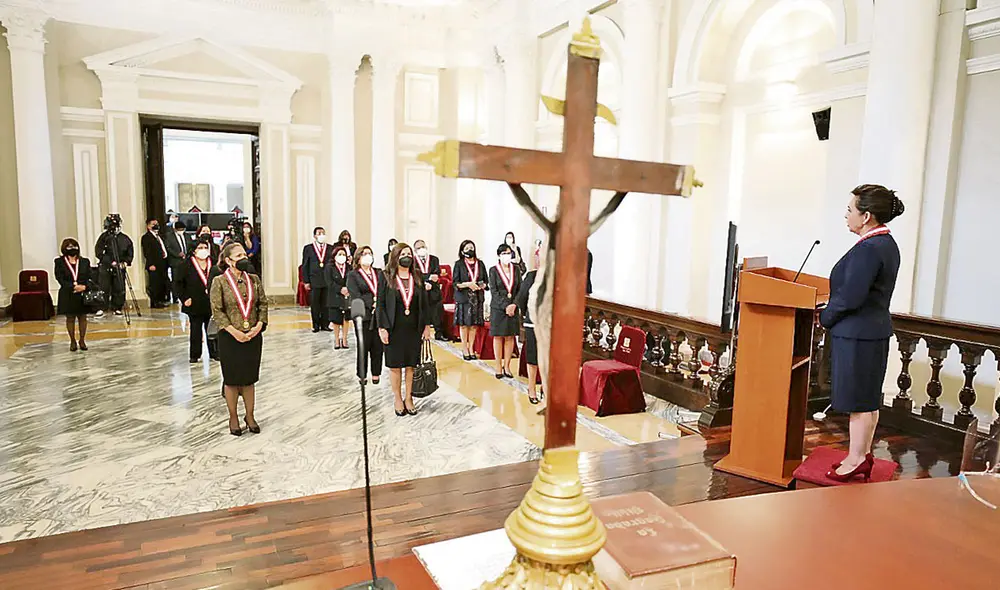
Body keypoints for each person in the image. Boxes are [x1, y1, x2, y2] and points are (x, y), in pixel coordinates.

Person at [820, 184, 903, 483]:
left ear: (866, 215)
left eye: (849, 210)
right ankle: (861, 455)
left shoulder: (870, 248)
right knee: (867, 401)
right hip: (871, 331)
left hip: (858, 334)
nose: (845, 215)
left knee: (858, 402)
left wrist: (825, 316)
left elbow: (851, 296)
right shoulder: (885, 243)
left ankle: (856, 459)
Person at [211, 242, 268, 436]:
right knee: (232, 379)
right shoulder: (219, 281)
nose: (243, 258)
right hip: (230, 336)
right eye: (238, 256)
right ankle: (233, 416)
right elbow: (217, 311)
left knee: (249, 379)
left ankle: (250, 416)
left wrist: (259, 326)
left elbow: (263, 304)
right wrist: (234, 332)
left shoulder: (253, 279)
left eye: (245, 254)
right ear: (228, 261)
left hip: (253, 334)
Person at [377, 243, 431, 417]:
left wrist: (427, 326)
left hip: (413, 327)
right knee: (395, 365)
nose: (406, 256)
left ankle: (409, 397)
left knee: (410, 365)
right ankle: (398, 398)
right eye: (402, 254)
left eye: (409, 253)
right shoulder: (385, 276)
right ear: (395, 256)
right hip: (393, 327)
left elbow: (424, 303)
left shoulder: (417, 276)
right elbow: (381, 304)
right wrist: (382, 327)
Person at [348, 245, 384, 385]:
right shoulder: (353, 275)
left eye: (370, 253)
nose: (368, 256)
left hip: (378, 315)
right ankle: (362, 374)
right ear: (358, 258)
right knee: (364, 345)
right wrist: (372, 303)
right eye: (364, 254)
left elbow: (383, 290)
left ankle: (376, 373)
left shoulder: (379, 273)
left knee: (378, 346)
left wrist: (379, 303)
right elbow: (356, 295)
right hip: (363, 315)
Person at [175, 239, 214, 363]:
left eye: (205, 247)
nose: (203, 250)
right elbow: (177, 283)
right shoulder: (186, 265)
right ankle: (195, 354)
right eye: (200, 247)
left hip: (211, 303)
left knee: (212, 329)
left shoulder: (213, 264)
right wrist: (184, 298)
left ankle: (215, 353)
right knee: (196, 330)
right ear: (194, 250)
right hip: (194, 302)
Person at [488, 243, 521, 379]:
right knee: (498, 337)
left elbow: (520, 289)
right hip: (498, 308)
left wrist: (514, 305)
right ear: (499, 255)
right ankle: (498, 365)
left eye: (508, 253)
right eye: (504, 253)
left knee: (510, 336)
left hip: (513, 308)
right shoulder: (493, 270)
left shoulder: (516, 269)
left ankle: (507, 366)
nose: (507, 256)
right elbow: (494, 291)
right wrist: (505, 306)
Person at [54, 238, 93, 352]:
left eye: (74, 246)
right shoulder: (59, 262)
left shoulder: (85, 261)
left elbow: (89, 276)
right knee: (70, 318)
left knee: (82, 317)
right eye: (69, 247)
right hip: (68, 293)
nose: (72, 249)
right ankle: (72, 341)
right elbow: (59, 277)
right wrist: (73, 286)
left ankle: (82, 340)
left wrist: (84, 287)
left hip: (82, 293)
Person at [453, 239, 487, 361]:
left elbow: (485, 281)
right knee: (464, 325)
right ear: (462, 251)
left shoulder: (480, 263)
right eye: (467, 248)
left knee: (473, 325)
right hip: (464, 298)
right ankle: (464, 348)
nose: (470, 250)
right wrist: (467, 284)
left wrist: (481, 285)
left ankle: (471, 348)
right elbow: (455, 283)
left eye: (471, 247)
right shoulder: (459, 264)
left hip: (477, 298)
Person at [516, 247, 542, 404]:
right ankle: (531, 387)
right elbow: (522, 298)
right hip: (533, 323)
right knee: (533, 357)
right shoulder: (531, 276)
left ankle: (545, 388)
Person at [94, 221, 133, 317]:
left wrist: (125, 262)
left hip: (120, 267)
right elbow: (99, 251)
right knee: (103, 287)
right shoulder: (104, 237)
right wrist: (109, 262)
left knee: (119, 287)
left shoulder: (125, 238)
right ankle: (101, 307)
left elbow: (130, 252)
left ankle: (117, 307)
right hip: (105, 266)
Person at [302, 227, 333, 332]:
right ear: (314, 236)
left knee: (326, 304)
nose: (321, 235)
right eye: (319, 233)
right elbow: (305, 265)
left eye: (323, 233)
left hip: (327, 280)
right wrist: (306, 281)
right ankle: (315, 324)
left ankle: (325, 324)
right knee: (315, 304)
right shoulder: (308, 248)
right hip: (314, 280)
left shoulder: (330, 248)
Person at [413, 239, 445, 340]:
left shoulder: (434, 259)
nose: (421, 249)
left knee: (437, 310)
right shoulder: (413, 261)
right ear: (415, 250)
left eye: (423, 247)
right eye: (418, 248)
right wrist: (426, 280)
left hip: (433, 290)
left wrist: (430, 281)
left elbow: (436, 274)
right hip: (420, 289)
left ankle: (439, 332)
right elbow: (415, 275)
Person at [325, 245, 351, 348]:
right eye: (339, 254)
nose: (342, 256)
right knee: (336, 319)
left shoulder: (349, 267)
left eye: (344, 254)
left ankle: (344, 339)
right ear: (335, 256)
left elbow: (352, 279)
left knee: (346, 319)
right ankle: (336, 340)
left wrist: (347, 289)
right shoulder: (329, 267)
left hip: (346, 296)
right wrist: (340, 289)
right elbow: (329, 282)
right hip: (334, 296)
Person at [141, 217, 170, 308]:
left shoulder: (159, 236)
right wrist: (150, 264)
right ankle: (155, 301)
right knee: (155, 283)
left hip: (162, 263)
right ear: (148, 226)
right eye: (153, 224)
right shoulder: (146, 237)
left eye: (156, 224)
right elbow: (147, 252)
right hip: (154, 264)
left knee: (162, 282)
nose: (156, 226)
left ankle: (162, 299)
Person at [165, 220, 190, 303]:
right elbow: (168, 248)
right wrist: (177, 254)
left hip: (186, 261)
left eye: (183, 229)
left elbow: (190, 246)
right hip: (175, 262)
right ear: (175, 229)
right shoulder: (169, 237)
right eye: (180, 229)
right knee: (175, 280)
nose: (181, 231)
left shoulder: (187, 236)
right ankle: (175, 297)